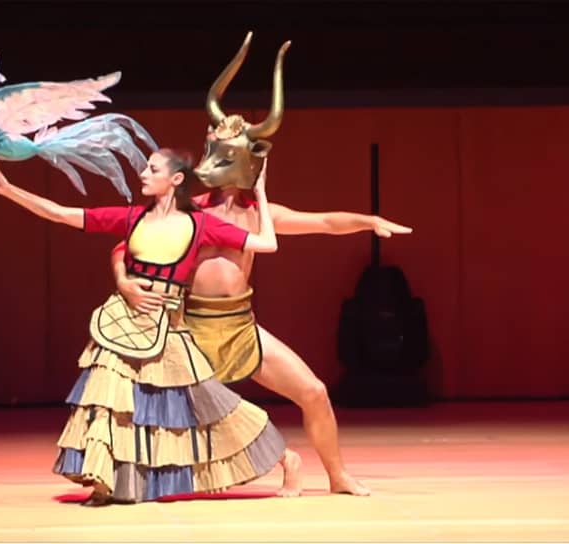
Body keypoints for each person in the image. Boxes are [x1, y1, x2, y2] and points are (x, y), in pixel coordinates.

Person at [0, 150, 301, 504]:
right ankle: (107, 481)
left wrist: (260, 192)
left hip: (168, 326)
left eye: (153, 168)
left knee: (209, 404)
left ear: (176, 179)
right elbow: (62, 214)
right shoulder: (133, 217)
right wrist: (9, 191)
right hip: (123, 321)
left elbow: (268, 244)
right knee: (107, 398)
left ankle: (285, 457)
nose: (143, 173)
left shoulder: (200, 224)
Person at [111, 160, 412, 496]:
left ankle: (337, 474)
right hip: (193, 329)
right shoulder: (190, 211)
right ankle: (129, 477)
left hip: (240, 325)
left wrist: (368, 221)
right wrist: (124, 281)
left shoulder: (261, 214)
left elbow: (325, 222)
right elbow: (126, 246)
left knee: (314, 393)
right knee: (163, 407)